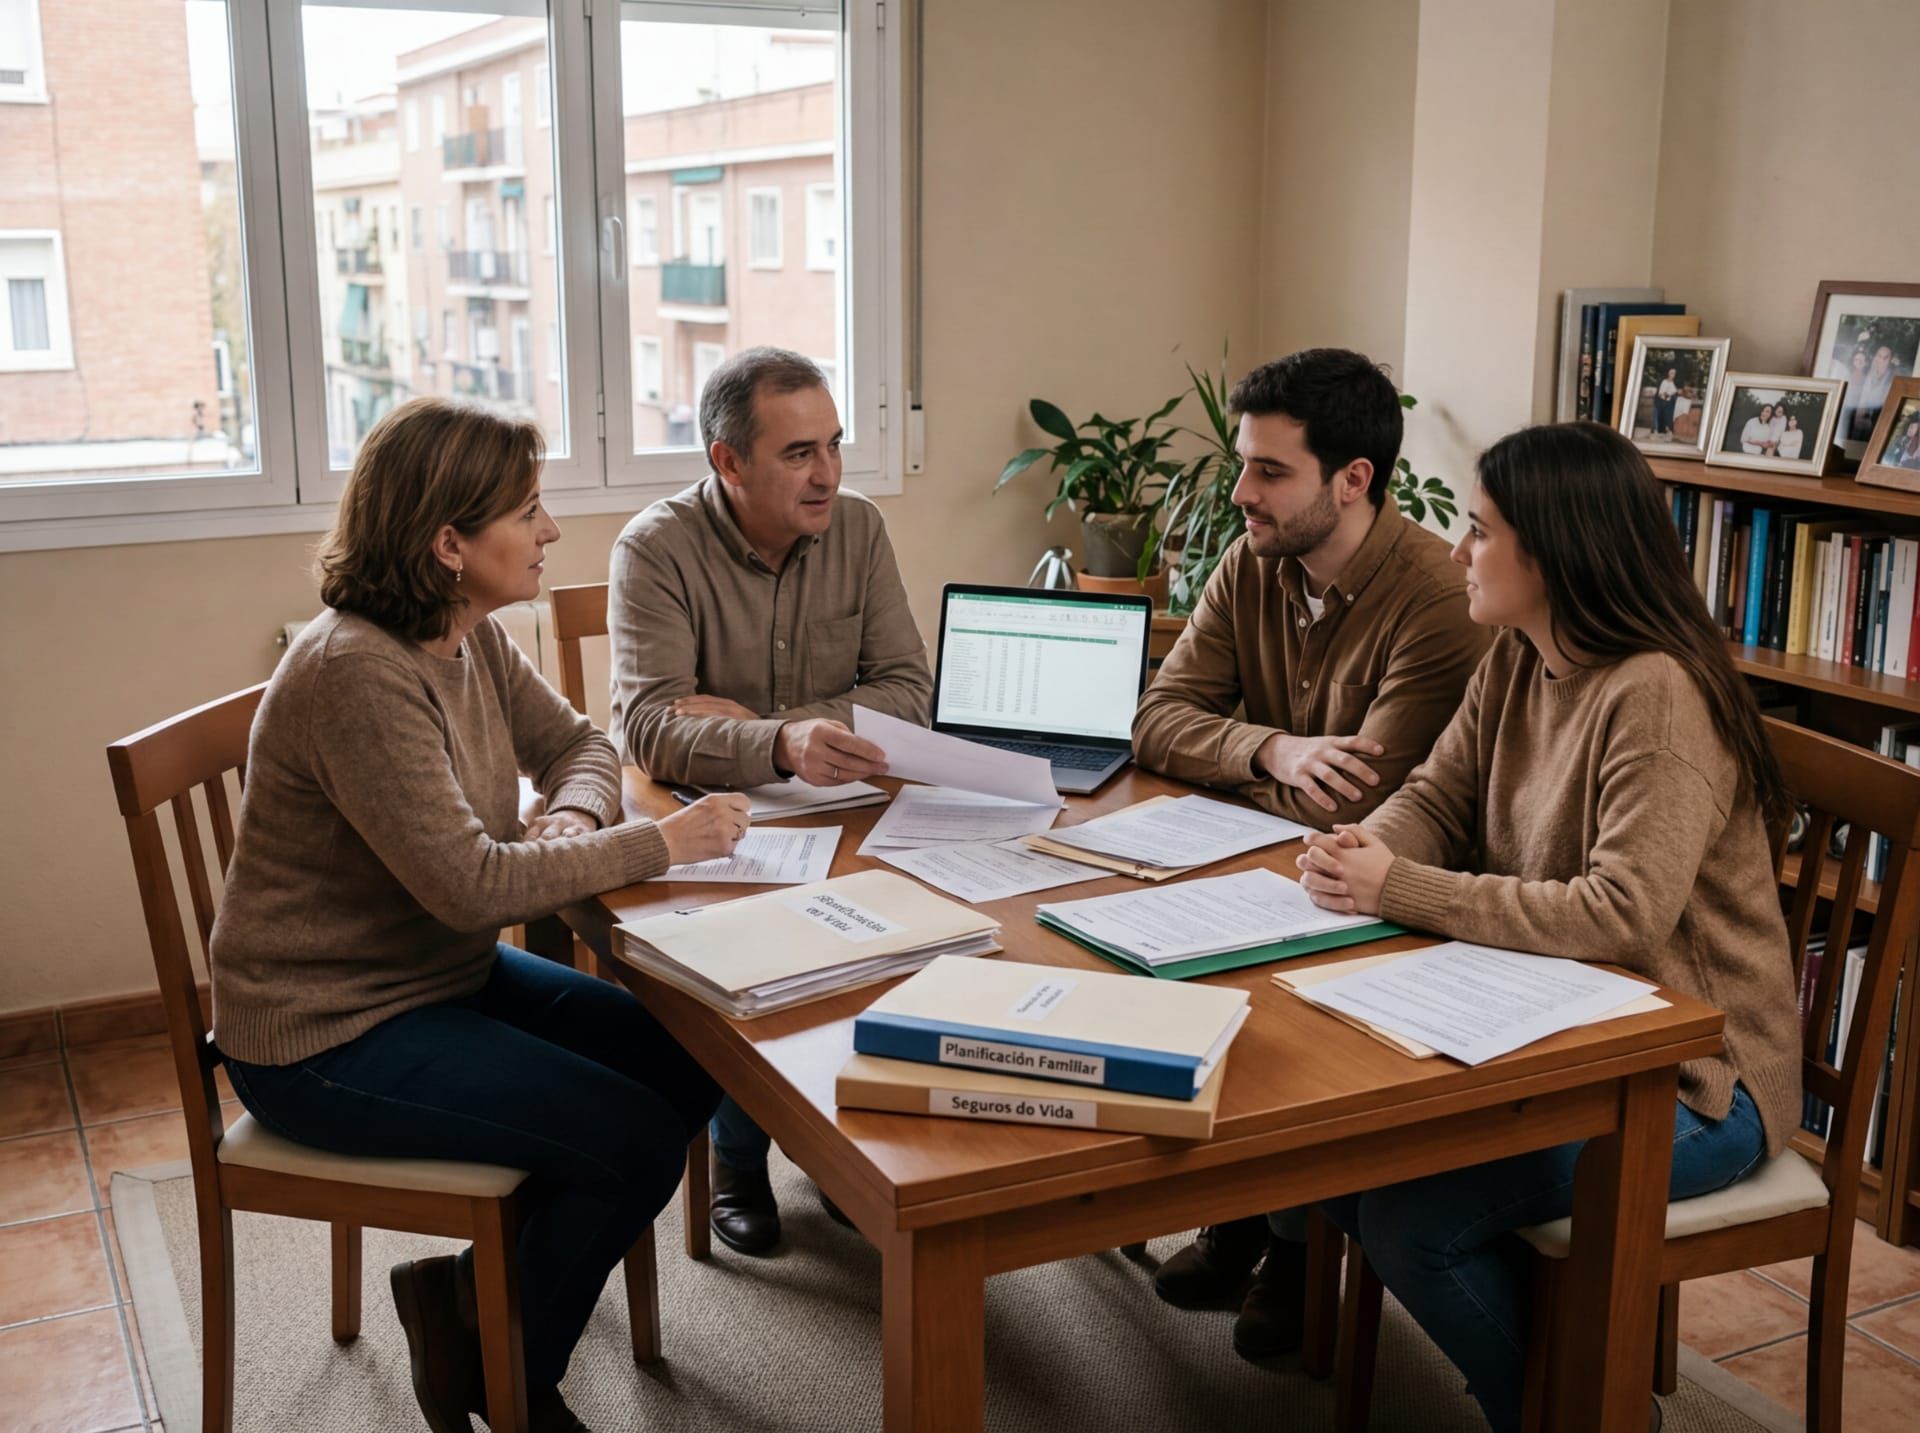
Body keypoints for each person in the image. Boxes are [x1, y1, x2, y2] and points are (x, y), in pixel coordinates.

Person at [211, 397, 746, 1433]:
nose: (551, 531)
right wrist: (657, 840)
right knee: (634, 1139)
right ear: (448, 543)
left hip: (435, 980)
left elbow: (584, 747)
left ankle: (467, 1298)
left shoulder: (468, 636)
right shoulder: (356, 671)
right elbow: (468, 886)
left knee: (689, 1054)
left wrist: (570, 820)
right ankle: (507, 1379)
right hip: (323, 1034)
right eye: (530, 510)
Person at [1293, 421, 1800, 1433]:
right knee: (1343, 1172)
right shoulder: (1521, 657)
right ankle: (1576, 1388)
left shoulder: (1654, 693)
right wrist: (1358, 851)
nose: (1455, 551)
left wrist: (1397, 889)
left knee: (1413, 1218)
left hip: (1696, 1081)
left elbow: (1623, 912)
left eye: (1479, 531)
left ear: (1554, 548)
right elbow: (1438, 793)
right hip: (1569, 1027)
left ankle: (1594, 1416)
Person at [1130, 348, 1488, 1353]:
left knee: (1277, 997)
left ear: (1353, 479)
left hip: (1377, 891)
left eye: (1269, 471)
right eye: (1243, 463)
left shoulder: (1435, 600)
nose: (1241, 492)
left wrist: (1243, 768)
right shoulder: (1255, 559)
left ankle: (1290, 1237)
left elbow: (1367, 801)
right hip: (1265, 862)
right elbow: (1157, 718)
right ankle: (1249, 1216)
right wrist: (1273, 748)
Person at [609, 346, 933, 1256]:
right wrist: (782, 742)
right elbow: (649, 730)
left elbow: (909, 686)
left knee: (913, 929)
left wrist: (759, 725)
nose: (827, 472)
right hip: (717, 826)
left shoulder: (860, 530)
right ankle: (736, 1158)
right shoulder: (656, 548)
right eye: (799, 453)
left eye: (832, 445)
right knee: (748, 951)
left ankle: (840, 1150)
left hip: (845, 809)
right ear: (728, 460)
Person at [1651, 366, 1679, 437]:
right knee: (1666, 411)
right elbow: (1661, 394)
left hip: (1668, 402)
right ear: (1668, 374)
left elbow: (1675, 392)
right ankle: (1660, 429)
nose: (1673, 375)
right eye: (1671, 373)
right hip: (1661, 402)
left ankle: (1668, 430)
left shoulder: (1673, 383)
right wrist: (1668, 395)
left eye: (1674, 373)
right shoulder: (1664, 382)